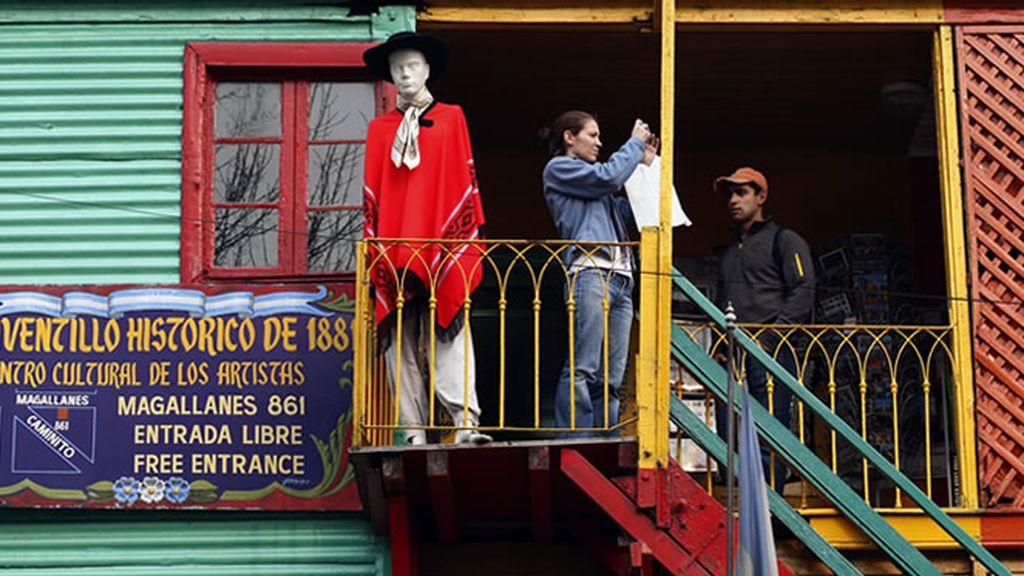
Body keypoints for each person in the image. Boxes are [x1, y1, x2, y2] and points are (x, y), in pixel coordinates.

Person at [362, 32, 490, 445]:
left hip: (440, 244)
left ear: (428, 69)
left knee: (451, 333)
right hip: (394, 245)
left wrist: (456, 241)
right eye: (397, 68)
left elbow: (459, 181)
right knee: (399, 344)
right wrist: (379, 249)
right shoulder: (379, 130)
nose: (404, 74)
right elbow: (375, 192)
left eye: (412, 65)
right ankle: (413, 429)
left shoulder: (452, 117)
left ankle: (465, 421)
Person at [542, 110, 657, 436]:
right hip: (590, 273)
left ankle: (604, 438)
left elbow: (633, 211)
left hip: (621, 279)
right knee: (584, 367)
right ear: (569, 137)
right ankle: (577, 438)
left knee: (611, 376)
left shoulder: (597, 183)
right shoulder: (559, 168)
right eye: (592, 135)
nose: (599, 142)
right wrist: (633, 146)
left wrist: (644, 166)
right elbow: (607, 177)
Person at [713, 166, 815, 487]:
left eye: (741, 192)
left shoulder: (784, 240)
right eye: (730, 193)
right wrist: (719, 347)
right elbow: (719, 304)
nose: (733, 199)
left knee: (768, 434)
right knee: (728, 437)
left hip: (769, 353)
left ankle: (771, 511)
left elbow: (804, 290)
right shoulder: (728, 253)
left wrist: (771, 339)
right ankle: (739, 511)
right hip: (733, 357)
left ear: (761, 197)